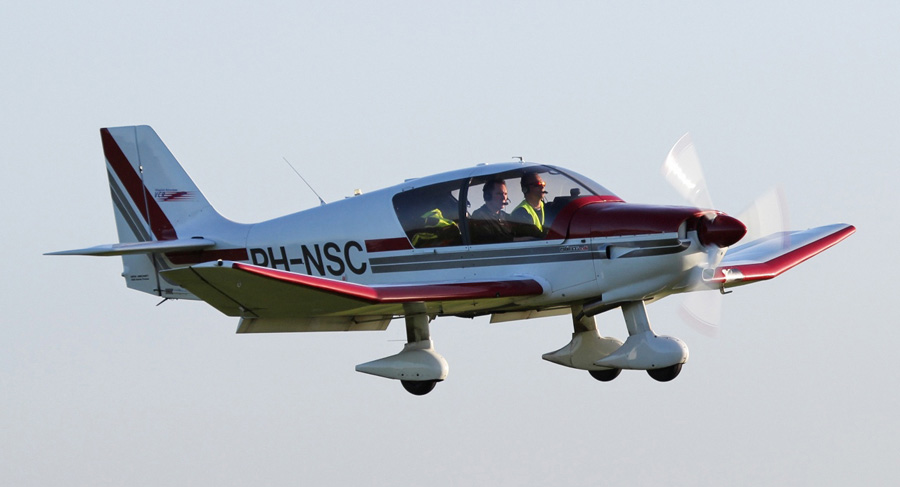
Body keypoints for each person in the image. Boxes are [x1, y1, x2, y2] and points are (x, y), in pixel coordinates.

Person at [470, 179, 513, 244]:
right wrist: (514, 240)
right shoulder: (479, 216)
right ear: (488, 196)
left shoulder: (506, 216)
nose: (504, 197)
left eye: (505, 194)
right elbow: (489, 240)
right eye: (499, 194)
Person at [509, 172, 546, 239]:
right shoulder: (520, 213)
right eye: (537, 184)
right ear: (525, 189)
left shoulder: (548, 208)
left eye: (543, 184)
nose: (542, 186)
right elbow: (536, 238)